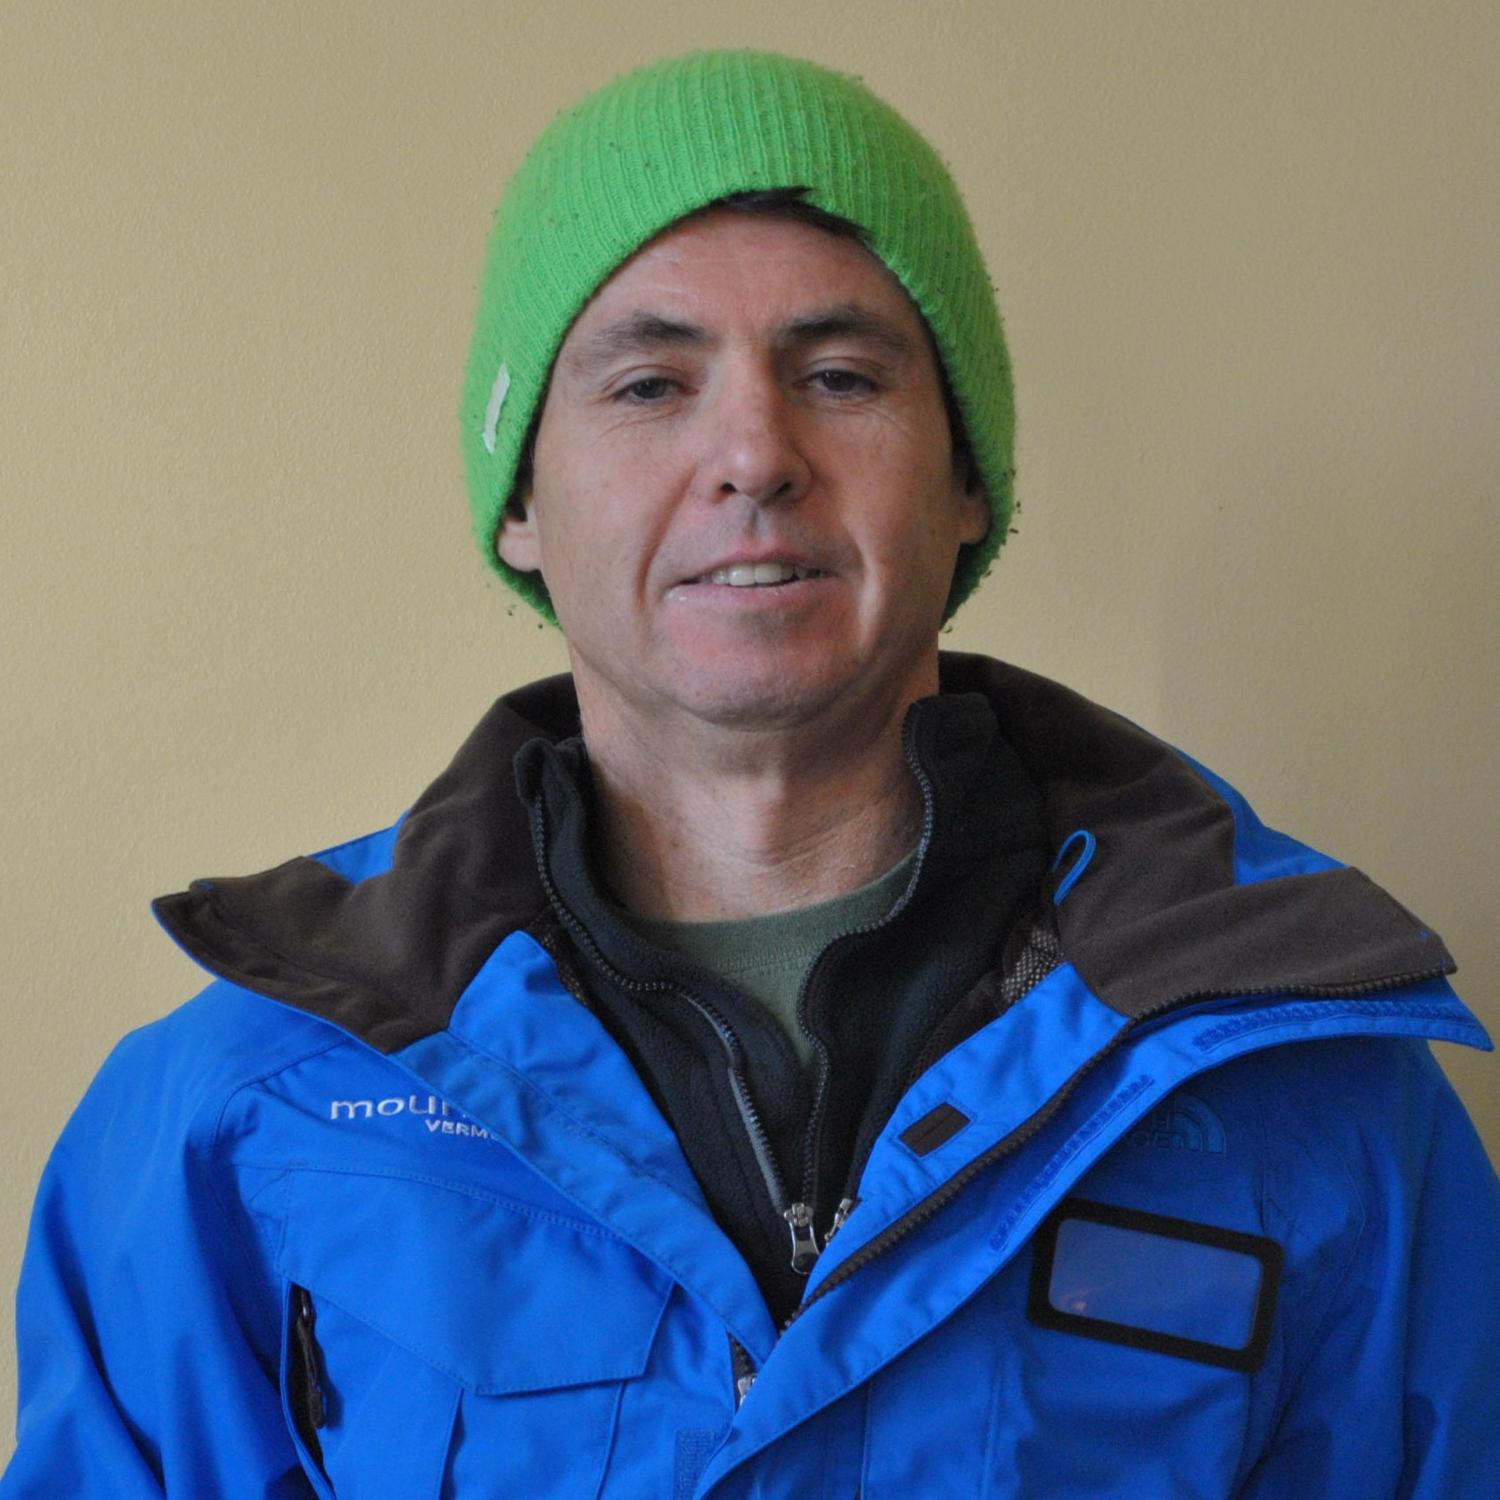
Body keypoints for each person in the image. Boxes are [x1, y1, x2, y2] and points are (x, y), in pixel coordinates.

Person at [3, 48, 1497, 1500]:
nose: (754, 456)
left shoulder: (1301, 1089)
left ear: (965, 482)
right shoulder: (251, 1108)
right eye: (650, 386)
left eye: (839, 375)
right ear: (522, 502)